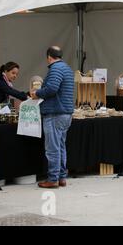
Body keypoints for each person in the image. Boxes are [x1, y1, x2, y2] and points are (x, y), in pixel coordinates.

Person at [31, 46, 74, 188]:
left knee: (52, 148)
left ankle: (53, 179)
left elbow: (52, 88)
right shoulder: (67, 68)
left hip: (55, 113)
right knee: (61, 146)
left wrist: (37, 93)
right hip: (65, 113)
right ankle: (61, 177)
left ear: (49, 56)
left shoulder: (55, 69)